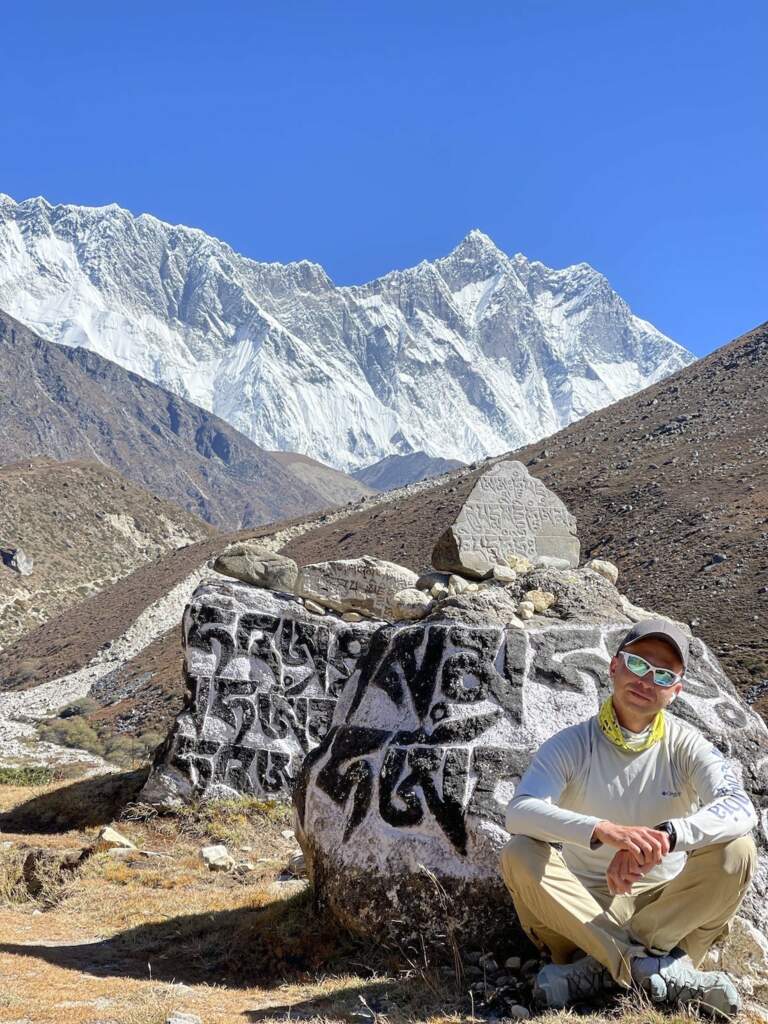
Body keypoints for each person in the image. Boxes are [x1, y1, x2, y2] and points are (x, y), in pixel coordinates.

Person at [499, 618, 757, 1018]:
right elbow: (520, 812)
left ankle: (599, 969)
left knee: (738, 851)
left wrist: (666, 838)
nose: (646, 680)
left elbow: (739, 807)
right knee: (519, 853)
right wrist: (602, 831)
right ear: (614, 667)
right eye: (637, 665)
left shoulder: (687, 746)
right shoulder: (571, 744)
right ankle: (651, 968)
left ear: (675, 691)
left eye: (662, 674)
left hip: (669, 912)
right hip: (584, 911)